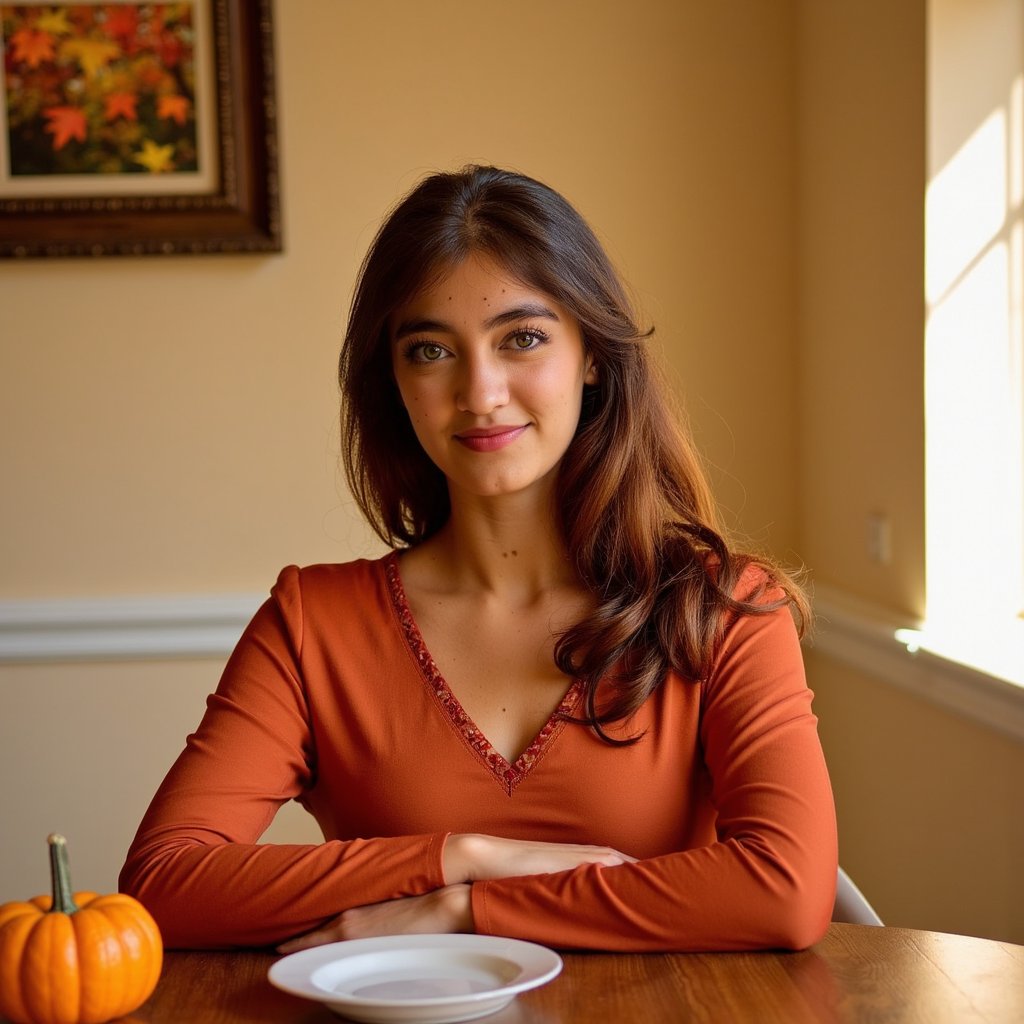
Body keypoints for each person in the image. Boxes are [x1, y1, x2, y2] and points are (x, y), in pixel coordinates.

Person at [119, 165, 837, 953]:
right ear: (393, 381)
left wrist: (469, 910)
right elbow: (163, 883)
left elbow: (787, 892)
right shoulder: (309, 623)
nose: (480, 392)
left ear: (592, 356)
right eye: (430, 350)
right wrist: (464, 859)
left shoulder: (721, 609)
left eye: (522, 339)